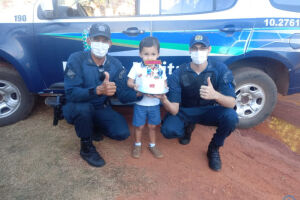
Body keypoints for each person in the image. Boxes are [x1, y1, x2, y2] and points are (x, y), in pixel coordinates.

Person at [63, 23, 142, 167]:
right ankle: (86, 147)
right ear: (89, 41)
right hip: (78, 105)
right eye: (96, 39)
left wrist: (140, 93)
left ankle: (93, 125)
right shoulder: (76, 59)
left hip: (100, 108)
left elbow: (123, 95)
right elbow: (71, 93)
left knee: (122, 133)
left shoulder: (115, 64)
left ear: (110, 43)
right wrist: (98, 90)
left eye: (104, 40)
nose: (100, 43)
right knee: (83, 109)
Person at [159, 34, 238, 171]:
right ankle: (188, 128)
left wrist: (216, 95)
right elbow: (175, 108)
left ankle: (214, 148)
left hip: (209, 110)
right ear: (189, 50)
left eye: (202, 48)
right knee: (168, 130)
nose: (198, 52)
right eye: (194, 48)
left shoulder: (220, 69)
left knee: (231, 117)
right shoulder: (179, 72)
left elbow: (231, 103)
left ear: (209, 50)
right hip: (186, 111)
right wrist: (163, 98)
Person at [127, 37, 167, 159]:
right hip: (140, 104)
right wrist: (134, 86)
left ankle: (152, 145)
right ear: (140, 54)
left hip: (154, 103)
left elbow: (165, 84)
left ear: (158, 54)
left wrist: (161, 91)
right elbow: (129, 82)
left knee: (152, 126)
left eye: (153, 54)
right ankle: (137, 145)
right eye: (146, 54)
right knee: (139, 126)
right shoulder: (136, 67)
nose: (150, 57)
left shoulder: (160, 69)